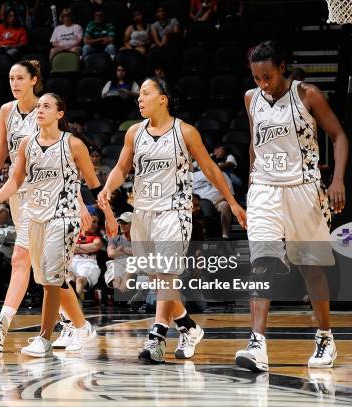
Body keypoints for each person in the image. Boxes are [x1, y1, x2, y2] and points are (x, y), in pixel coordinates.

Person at [98, 77, 246, 363]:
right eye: (138, 94)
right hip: (143, 213)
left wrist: (232, 201)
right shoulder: (134, 133)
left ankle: (156, 337)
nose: (139, 99)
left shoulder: (185, 132)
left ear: (163, 98)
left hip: (174, 211)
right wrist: (107, 188)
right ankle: (188, 327)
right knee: (158, 278)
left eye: (145, 93)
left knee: (166, 275)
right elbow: (120, 168)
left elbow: (211, 170)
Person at [0, 61, 99, 353]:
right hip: (17, 195)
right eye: (11, 78)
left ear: (34, 80)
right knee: (43, 271)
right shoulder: (6, 111)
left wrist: (79, 203)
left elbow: (63, 162)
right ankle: (78, 325)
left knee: (22, 261)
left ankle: (1, 327)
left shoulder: (46, 108)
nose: (14, 83)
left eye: (20, 78)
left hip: (48, 197)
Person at [235, 41, 348, 372]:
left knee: (310, 268)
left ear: (282, 67)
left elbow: (339, 135)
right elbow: (256, 143)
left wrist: (338, 180)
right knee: (262, 264)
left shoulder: (307, 95)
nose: (263, 84)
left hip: (304, 190)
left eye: (267, 76)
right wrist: (253, 184)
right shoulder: (250, 98)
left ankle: (325, 336)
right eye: (257, 78)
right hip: (265, 191)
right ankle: (257, 345)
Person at [0, 93, 117, 357]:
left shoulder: (74, 145)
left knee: (51, 281)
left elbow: (94, 185)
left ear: (60, 114)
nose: (40, 110)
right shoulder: (26, 144)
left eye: (47, 106)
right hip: (34, 217)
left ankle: (45, 337)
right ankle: (79, 327)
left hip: (63, 218)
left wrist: (109, 215)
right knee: (45, 279)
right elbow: (16, 179)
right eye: (39, 106)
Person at [69, 211, 103, 298]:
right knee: (69, 278)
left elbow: (95, 246)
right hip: (71, 261)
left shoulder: (96, 237)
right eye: (93, 221)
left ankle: (75, 301)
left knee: (80, 280)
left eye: (96, 222)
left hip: (88, 261)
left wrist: (76, 247)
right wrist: (86, 248)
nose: (95, 225)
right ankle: (68, 303)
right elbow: (66, 248)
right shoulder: (73, 235)